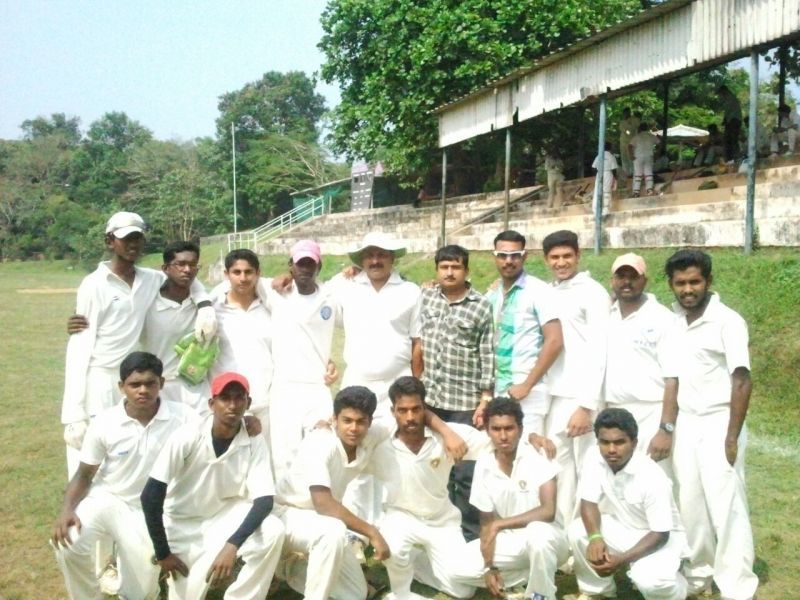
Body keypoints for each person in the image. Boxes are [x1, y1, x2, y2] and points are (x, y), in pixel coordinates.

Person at [273, 385, 466, 600]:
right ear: (334, 418)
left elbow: (413, 414)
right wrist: (372, 533)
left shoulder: (372, 434)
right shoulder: (319, 443)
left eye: (360, 422)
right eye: (347, 420)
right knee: (333, 531)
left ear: (370, 422)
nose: (353, 428)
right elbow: (324, 504)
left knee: (356, 594)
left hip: (322, 523)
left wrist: (447, 432)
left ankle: (287, 567)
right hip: (288, 513)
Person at [62, 212, 215, 476]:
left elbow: (187, 275)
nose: (133, 244)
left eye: (138, 238)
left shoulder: (149, 278)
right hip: (98, 377)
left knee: (126, 448)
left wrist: (204, 305)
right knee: (87, 450)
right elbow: (79, 347)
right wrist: (72, 412)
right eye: (126, 239)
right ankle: (79, 513)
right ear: (110, 241)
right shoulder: (94, 285)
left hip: (129, 378)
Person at [51, 352, 197, 600]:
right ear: (121, 387)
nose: (143, 390)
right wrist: (66, 510)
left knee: (141, 593)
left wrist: (246, 422)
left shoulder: (184, 417)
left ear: (161, 384)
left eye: (150, 383)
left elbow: (217, 431)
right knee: (68, 542)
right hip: (107, 499)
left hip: (148, 512)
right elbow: (85, 474)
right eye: (134, 384)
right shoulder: (105, 422)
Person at [662, 249, 758, 600]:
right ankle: (700, 574)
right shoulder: (673, 320)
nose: (688, 289)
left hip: (720, 421)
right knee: (690, 500)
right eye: (681, 283)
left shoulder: (727, 321)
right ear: (671, 285)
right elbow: (671, 378)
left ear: (709, 281)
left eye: (695, 281)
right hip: (687, 422)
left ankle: (737, 586)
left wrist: (731, 436)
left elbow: (742, 380)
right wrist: (669, 426)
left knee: (727, 503)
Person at [140, 372, 285, 600]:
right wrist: (163, 553)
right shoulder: (188, 436)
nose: (233, 405)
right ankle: (156, 566)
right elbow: (150, 496)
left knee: (273, 530)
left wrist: (232, 545)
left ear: (248, 403)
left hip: (223, 519)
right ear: (211, 404)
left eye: (239, 398)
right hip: (181, 524)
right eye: (225, 398)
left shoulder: (253, 439)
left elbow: (264, 500)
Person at [374, 376, 491, 600]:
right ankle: (402, 566)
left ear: (426, 410)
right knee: (395, 547)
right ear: (392, 411)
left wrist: (531, 439)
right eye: (403, 410)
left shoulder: (449, 436)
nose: (410, 417)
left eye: (416, 409)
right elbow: (348, 434)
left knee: (463, 591)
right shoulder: (379, 438)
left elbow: (495, 443)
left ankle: (416, 562)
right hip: (401, 517)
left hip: (441, 520)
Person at [451, 398, 567, 600]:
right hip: (511, 542)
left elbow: (548, 511)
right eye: (496, 429)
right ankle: (529, 577)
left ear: (520, 429)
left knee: (537, 534)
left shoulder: (539, 454)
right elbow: (487, 523)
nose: (503, 436)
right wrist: (489, 567)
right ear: (487, 431)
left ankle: (541, 596)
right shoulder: (484, 464)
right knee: (458, 567)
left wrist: (500, 524)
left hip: (550, 539)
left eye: (509, 428)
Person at [568, 407, 688, 600]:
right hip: (625, 529)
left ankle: (679, 588)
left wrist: (621, 560)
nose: (611, 449)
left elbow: (661, 533)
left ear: (634, 443)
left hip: (659, 540)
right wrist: (596, 537)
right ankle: (598, 592)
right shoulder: (593, 457)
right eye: (604, 442)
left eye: (619, 442)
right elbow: (588, 502)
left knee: (650, 582)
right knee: (578, 531)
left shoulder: (652, 476)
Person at [418, 244, 495, 541]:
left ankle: (471, 535)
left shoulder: (481, 305)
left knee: (465, 473)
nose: (450, 272)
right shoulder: (425, 297)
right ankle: (440, 531)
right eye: (444, 267)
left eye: (456, 267)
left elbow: (487, 353)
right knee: (435, 468)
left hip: (464, 402)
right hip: (432, 400)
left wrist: (485, 399)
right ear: (436, 270)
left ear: (466, 270)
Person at [540, 230, 610, 527]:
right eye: (554, 257)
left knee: (589, 466)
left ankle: (586, 533)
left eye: (567, 256)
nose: (561, 262)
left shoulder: (593, 292)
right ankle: (561, 531)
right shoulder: (546, 291)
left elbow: (600, 350)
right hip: (556, 393)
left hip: (584, 397)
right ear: (546, 260)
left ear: (578, 256)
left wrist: (586, 405)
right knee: (558, 464)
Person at [266, 240, 339, 480]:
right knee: (284, 452)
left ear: (319, 267)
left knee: (322, 445)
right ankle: (284, 505)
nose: (305, 269)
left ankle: (316, 503)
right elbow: (233, 283)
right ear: (290, 266)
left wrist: (333, 362)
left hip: (318, 386)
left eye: (310, 264)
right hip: (284, 385)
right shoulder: (274, 292)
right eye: (300, 264)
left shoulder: (331, 296)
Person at [605, 253, 676, 474]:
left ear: (644, 281)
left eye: (633, 276)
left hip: (650, 413)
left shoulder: (662, 318)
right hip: (614, 411)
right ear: (612, 281)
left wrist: (665, 430)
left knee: (653, 482)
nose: (626, 282)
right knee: (616, 485)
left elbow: (672, 378)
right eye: (621, 276)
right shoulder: (607, 315)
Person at [487, 230, 563, 435]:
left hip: (528, 392)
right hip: (499, 388)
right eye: (502, 255)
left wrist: (527, 385)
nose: (508, 261)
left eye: (515, 255)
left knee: (530, 454)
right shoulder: (493, 294)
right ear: (495, 257)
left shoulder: (539, 291)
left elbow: (554, 340)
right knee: (503, 452)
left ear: (525, 256)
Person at [210, 249, 273, 436]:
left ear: (258, 273)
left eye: (249, 272)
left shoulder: (270, 308)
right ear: (226, 275)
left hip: (265, 403)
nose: (243, 278)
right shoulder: (214, 311)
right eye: (236, 272)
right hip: (227, 404)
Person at [629, 123, 659, 197]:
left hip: (638, 157)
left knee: (638, 174)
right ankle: (649, 190)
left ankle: (636, 192)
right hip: (649, 156)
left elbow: (629, 146)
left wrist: (631, 155)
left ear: (640, 128)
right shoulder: (651, 136)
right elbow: (659, 143)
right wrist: (657, 153)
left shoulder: (637, 137)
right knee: (648, 173)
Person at [591, 141, 618, 217]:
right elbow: (614, 169)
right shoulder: (611, 156)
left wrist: (598, 173)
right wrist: (615, 179)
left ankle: (596, 210)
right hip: (607, 174)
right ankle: (606, 210)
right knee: (607, 191)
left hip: (599, 174)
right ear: (610, 147)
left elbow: (593, 167)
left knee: (598, 191)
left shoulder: (599, 155)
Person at [718, 85, 742, 161]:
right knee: (729, 139)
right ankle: (731, 157)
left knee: (732, 139)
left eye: (721, 93)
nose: (720, 95)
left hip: (733, 121)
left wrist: (725, 120)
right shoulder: (729, 98)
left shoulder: (730, 98)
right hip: (732, 121)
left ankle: (734, 157)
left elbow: (728, 111)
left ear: (724, 91)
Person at [619, 107, 641, 179]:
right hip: (623, 142)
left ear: (629, 112)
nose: (625, 114)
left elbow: (636, 128)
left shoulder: (635, 120)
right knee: (624, 158)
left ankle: (633, 174)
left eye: (627, 112)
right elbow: (624, 131)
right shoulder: (622, 122)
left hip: (632, 142)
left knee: (631, 158)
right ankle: (626, 174)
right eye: (624, 113)